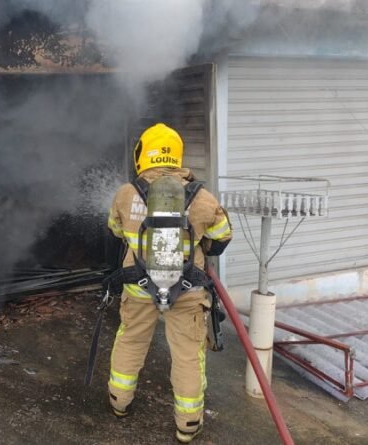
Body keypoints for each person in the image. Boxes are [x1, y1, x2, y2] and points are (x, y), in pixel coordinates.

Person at [106, 123, 232, 443]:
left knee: (131, 341)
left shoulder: (125, 194)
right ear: (176, 155)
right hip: (188, 290)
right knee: (188, 354)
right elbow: (222, 238)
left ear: (143, 154)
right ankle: (187, 425)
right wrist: (201, 243)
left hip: (138, 286)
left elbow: (115, 231)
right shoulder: (202, 198)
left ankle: (119, 403)